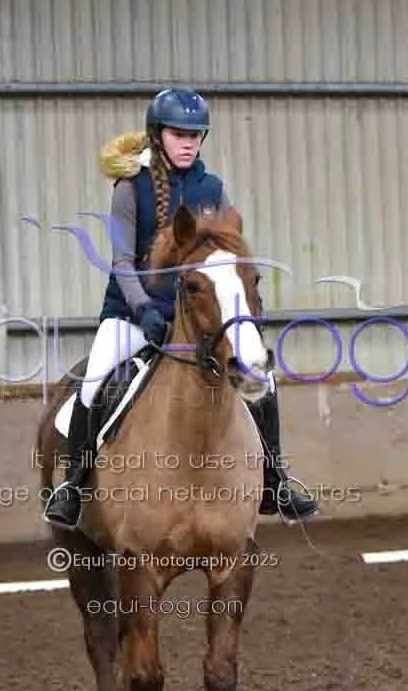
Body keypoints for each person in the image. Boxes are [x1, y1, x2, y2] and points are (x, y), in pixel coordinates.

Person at [43, 86, 318, 530]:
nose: (188, 143)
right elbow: (122, 262)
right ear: (158, 136)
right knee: (94, 383)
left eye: (195, 135)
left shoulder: (212, 188)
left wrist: (239, 310)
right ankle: (74, 486)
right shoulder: (131, 187)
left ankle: (276, 481)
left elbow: (229, 257)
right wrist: (144, 309)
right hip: (134, 314)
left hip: (200, 318)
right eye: (178, 134)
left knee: (262, 379)